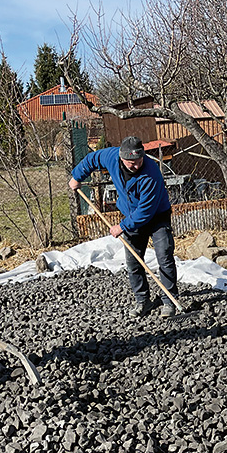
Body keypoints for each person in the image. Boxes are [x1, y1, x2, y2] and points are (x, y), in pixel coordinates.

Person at [69, 136, 179, 318]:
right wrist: (76, 177)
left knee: (164, 256)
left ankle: (169, 301)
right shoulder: (111, 157)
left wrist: (121, 226)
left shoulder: (150, 174)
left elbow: (145, 211)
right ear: (122, 158)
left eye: (138, 161)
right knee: (133, 261)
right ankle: (143, 301)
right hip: (130, 215)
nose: (136, 166)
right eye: (131, 163)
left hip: (157, 216)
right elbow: (92, 159)